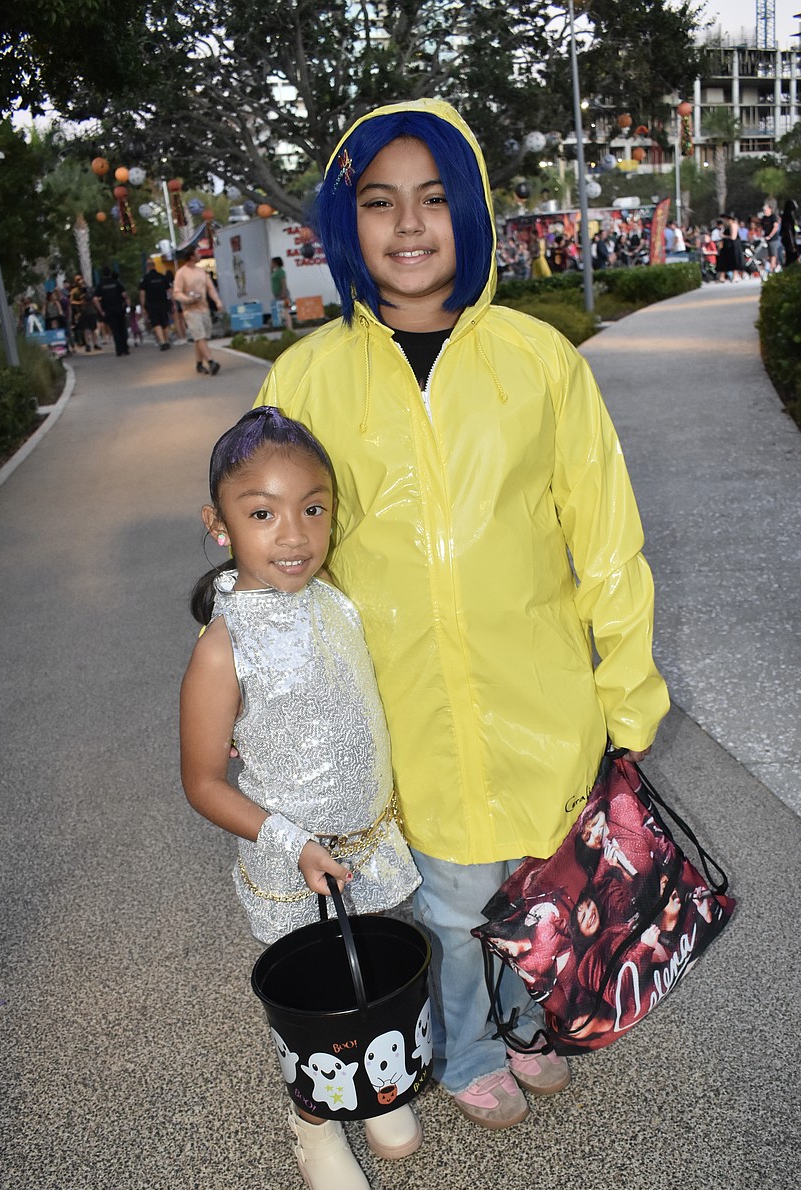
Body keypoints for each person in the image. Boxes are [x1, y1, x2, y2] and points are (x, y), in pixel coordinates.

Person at [253, 99, 669, 1131]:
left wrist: (626, 691)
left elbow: (606, 538)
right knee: (447, 906)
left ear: (471, 212)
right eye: (380, 202)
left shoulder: (538, 364)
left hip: (542, 699)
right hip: (410, 711)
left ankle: (529, 1020)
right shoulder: (307, 378)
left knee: (544, 887)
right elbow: (277, 544)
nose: (407, 226)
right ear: (345, 224)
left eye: (434, 200)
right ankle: (472, 1046)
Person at [179, 407, 422, 1190]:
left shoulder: (332, 602)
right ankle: (314, 1125)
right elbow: (204, 781)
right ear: (219, 526)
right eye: (262, 512)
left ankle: (374, 1082)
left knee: (375, 976)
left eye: (313, 507)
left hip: (369, 847)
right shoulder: (224, 647)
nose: (294, 533)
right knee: (316, 1008)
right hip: (297, 869)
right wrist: (293, 840)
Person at [172, 248, 223, 374]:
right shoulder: (181, 273)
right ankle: (211, 362)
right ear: (191, 256)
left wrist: (217, 301)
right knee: (199, 335)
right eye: (197, 253)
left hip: (204, 308)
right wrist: (188, 299)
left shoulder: (201, 272)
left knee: (200, 337)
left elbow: (210, 288)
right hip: (191, 310)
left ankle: (199, 364)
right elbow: (177, 293)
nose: (199, 255)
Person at [95, 266, 131, 357]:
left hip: (109, 310)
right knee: (122, 328)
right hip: (119, 309)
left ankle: (119, 350)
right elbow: (124, 295)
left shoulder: (101, 285)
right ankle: (125, 348)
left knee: (115, 330)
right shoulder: (116, 283)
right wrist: (128, 305)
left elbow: (95, 299)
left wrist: (101, 310)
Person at [139, 265, 173, 349]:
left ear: (147, 268)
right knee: (165, 322)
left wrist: (143, 306)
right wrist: (171, 301)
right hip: (163, 302)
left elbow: (142, 293)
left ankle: (162, 341)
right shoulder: (162, 277)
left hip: (152, 304)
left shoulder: (145, 279)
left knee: (156, 323)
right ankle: (167, 340)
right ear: (155, 266)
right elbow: (169, 290)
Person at [69, 276, 102, 352]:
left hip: (91, 311)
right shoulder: (75, 291)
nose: (80, 281)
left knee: (93, 329)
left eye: (81, 279)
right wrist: (80, 303)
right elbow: (71, 301)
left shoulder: (89, 289)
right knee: (86, 329)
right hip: (82, 312)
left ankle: (95, 344)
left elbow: (94, 297)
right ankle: (87, 344)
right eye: (78, 280)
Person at [270, 255, 294, 331]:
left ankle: (290, 328)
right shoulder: (275, 271)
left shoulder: (280, 271)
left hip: (283, 294)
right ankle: (286, 327)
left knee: (286, 310)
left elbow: (283, 282)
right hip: (277, 294)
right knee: (281, 311)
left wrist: (283, 293)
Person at [781, 199, 800, 268]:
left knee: (790, 258)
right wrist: (792, 244)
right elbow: (788, 230)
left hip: (788, 240)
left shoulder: (788, 215)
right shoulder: (788, 216)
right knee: (792, 257)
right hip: (789, 240)